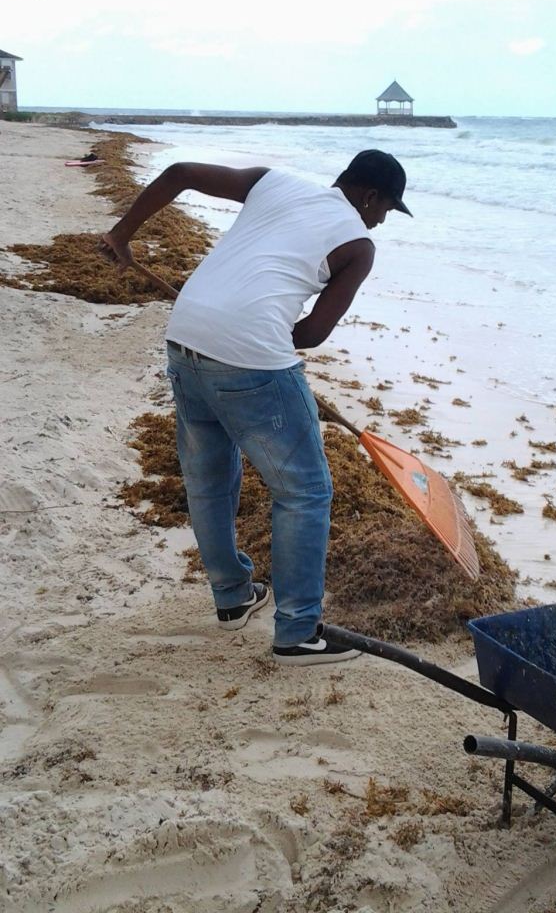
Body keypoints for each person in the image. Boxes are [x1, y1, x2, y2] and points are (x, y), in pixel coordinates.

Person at [99, 150, 411, 665]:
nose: (381, 221)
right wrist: (253, 339)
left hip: (184, 338)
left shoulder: (276, 182)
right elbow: (310, 334)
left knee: (209, 481)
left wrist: (122, 234)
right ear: (370, 196)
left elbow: (180, 174)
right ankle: (296, 633)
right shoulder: (358, 245)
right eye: (386, 209)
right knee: (307, 491)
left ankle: (233, 597)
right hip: (248, 357)